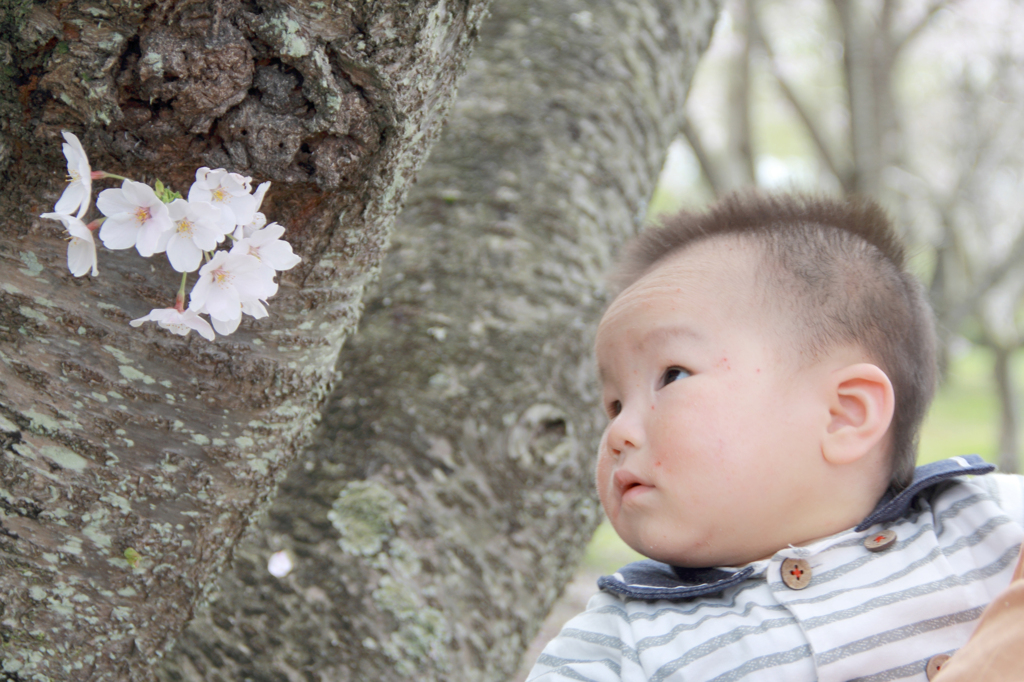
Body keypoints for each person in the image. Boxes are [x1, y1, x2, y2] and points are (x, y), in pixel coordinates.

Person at [526, 193, 1024, 681]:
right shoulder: (615, 646)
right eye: (614, 405)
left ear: (844, 414)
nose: (618, 432)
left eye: (671, 376)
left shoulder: (984, 520)